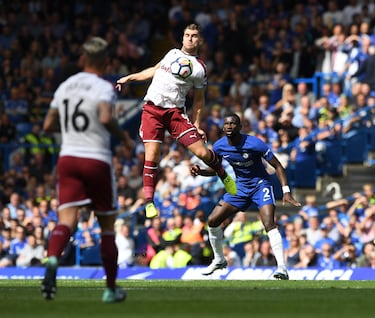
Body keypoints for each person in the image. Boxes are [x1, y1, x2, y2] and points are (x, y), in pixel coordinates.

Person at [40, 37, 133, 303]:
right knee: (106, 226)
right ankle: (111, 289)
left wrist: (69, 131)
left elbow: (47, 125)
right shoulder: (102, 87)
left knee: (66, 220)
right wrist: (123, 137)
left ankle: (52, 261)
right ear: (105, 61)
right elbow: (105, 117)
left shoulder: (65, 86)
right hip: (95, 158)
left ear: (83, 58)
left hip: (67, 157)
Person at [115, 23, 237, 219]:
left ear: (200, 40)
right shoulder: (171, 53)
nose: (189, 38)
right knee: (152, 154)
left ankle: (223, 174)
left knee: (202, 152)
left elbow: (199, 100)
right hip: (152, 110)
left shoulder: (199, 68)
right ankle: (149, 202)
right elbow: (154, 70)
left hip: (175, 113)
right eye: (187, 34)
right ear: (182, 38)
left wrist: (197, 125)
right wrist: (129, 78)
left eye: (194, 35)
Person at [190, 113, 301, 279]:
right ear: (223, 127)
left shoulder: (254, 143)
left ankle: (282, 268)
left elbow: (278, 166)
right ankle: (219, 259)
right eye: (226, 123)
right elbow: (216, 170)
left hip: (260, 185)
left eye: (233, 124)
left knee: (269, 223)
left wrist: (286, 191)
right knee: (212, 221)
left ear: (240, 127)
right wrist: (201, 172)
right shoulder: (220, 146)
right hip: (240, 188)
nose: (229, 126)